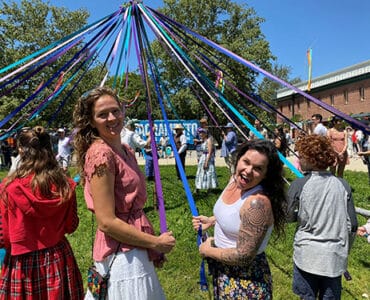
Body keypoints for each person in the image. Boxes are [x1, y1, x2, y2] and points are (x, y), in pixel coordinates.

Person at [72, 87, 175, 299]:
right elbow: (107, 222)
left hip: (134, 245)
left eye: (115, 111)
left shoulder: (125, 149)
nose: (112, 118)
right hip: (122, 255)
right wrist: (156, 243)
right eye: (102, 114)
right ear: (91, 121)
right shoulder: (101, 154)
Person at [192, 139, 287, 298]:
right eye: (246, 162)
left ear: (266, 175)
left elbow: (243, 256)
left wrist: (208, 250)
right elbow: (234, 214)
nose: (248, 171)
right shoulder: (235, 180)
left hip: (245, 281)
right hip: (223, 271)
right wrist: (212, 220)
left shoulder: (257, 204)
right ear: (239, 158)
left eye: (258, 168)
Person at [0, 126, 84, 299]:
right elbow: (71, 226)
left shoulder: (7, 189)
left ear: (20, 149)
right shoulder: (65, 185)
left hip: (22, 264)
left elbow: (3, 237)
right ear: (49, 147)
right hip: (58, 258)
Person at [287, 134, 358, 300]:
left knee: (307, 296)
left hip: (306, 255)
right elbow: (353, 225)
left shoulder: (299, 184)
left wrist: (303, 214)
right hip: (334, 256)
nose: (299, 160)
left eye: (301, 156)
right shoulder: (343, 184)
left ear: (312, 159)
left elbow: (288, 216)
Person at [194, 128, 218, 193]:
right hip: (203, 157)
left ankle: (209, 188)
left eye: (202, 133)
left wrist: (206, 162)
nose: (200, 134)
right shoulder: (203, 140)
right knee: (200, 172)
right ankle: (198, 187)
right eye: (199, 133)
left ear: (205, 133)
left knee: (208, 172)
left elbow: (210, 152)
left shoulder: (209, 140)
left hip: (207, 158)